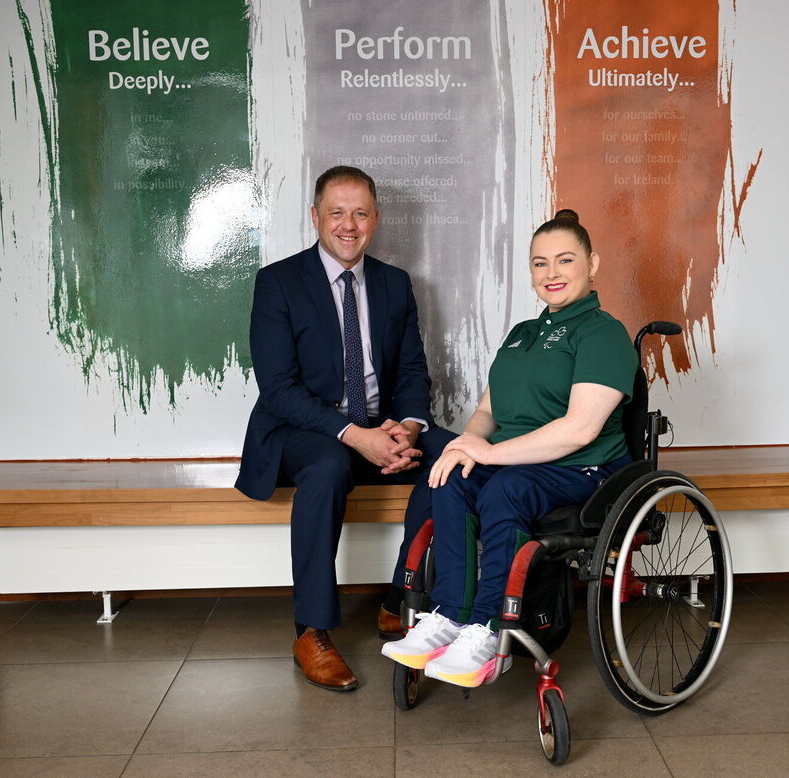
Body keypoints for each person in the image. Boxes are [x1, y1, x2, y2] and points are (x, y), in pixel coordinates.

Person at [381, 209, 637, 687]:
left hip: (583, 468)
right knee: (449, 478)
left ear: (592, 264)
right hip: (517, 463)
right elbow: (486, 412)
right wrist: (466, 446)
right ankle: (449, 616)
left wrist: (490, 455)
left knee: (506, 488)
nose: (552, 273)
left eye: (565, 260)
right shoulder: (522, 334)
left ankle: (487, 626)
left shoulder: (603, 333)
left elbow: (580, 430)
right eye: (540, 263)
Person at [236, 166, 455, 692]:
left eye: (359, 214)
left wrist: (407, 427)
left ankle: (402, 598)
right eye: (337, 213)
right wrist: (356, 436)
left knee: (453, 455)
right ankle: (311, 630)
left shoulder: (395, 284)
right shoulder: (278, 282)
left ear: (375, 219)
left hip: (382, 423)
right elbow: (278, 389)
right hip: (301, 429)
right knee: (328, 465)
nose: (348, 225)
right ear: (316, 217)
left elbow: (411, 371)